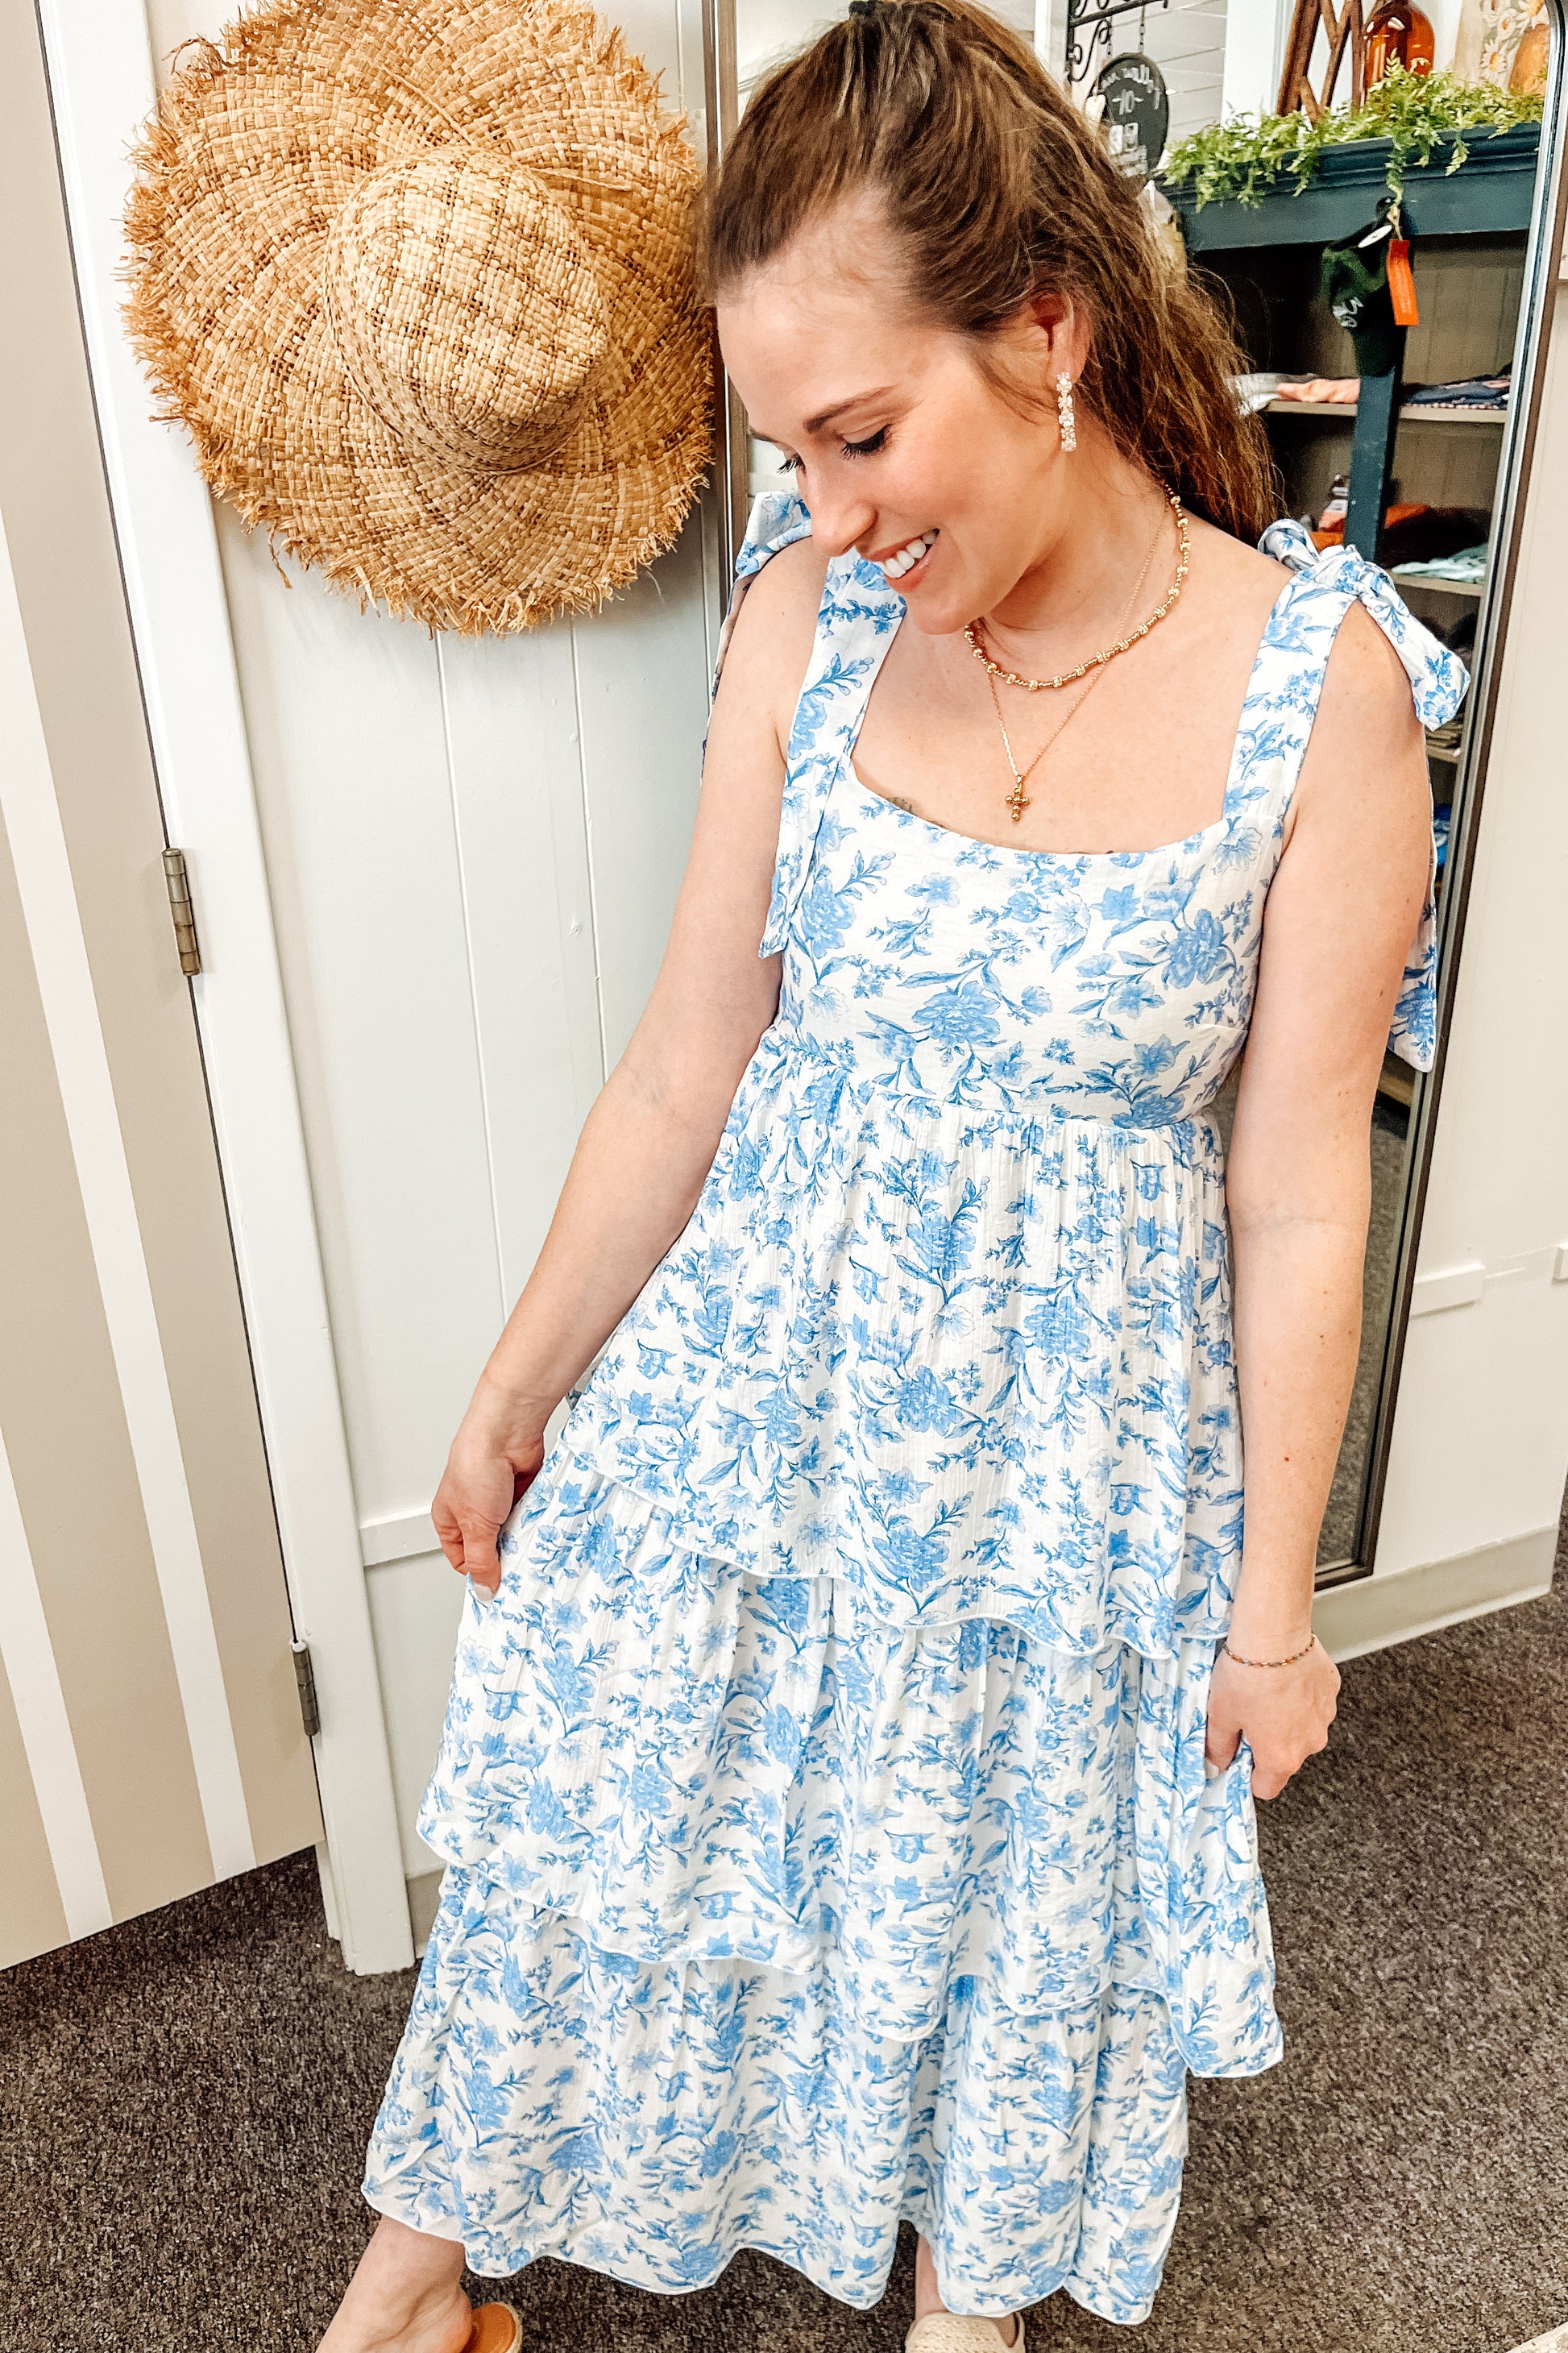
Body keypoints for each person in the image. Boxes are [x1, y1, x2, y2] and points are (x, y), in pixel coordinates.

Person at [321, 3, 1466, 2347]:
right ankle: (417, 2274)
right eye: (792, 452)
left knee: (995, 1890)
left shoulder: (1319, 689)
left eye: (860, 436)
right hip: (763, 1382)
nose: (831, 511)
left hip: (1070, 1449)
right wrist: (516, 1389)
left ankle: (969, 2285)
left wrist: (1272, 1606)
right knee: (617, 1799)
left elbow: (1297, 1199)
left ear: (1044, 330)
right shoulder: (804, 618)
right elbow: (685, 1064)